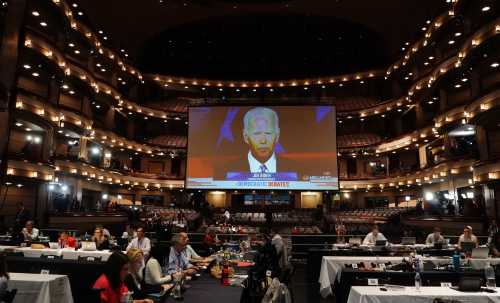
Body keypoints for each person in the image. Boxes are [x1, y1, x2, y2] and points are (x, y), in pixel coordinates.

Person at [216, 107, 297, 179]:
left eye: (268, 133)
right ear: (246, 136)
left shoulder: (295, 168)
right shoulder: (227, 170)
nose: (263, 141)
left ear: (277, 135)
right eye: (257, 134)